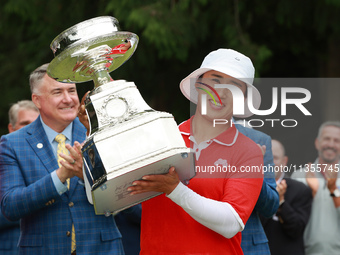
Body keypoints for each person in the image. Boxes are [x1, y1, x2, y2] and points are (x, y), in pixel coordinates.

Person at [127, 49, 264, 254]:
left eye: (234, 86)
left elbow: (231, 223)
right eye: (215, 80)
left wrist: (175, 190)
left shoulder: (248, 152)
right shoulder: (161, 136)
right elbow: (110, 196)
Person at [0, 63, 124, 255]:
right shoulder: (13, 143)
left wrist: (87, 176)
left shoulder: (99, 132)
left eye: (71, 90)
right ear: (37, 100)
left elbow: (125, 196)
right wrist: (60, 176)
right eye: (57, 92)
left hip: (102, 249)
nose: (68, 99)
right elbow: (10, 206)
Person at [291, 121, 340, 255]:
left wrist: (333, 189)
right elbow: (290, 220)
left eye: (336, 140)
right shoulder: (299, 175)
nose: (331, 144)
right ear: (317, 143)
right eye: (327, 139)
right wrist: (309, 193)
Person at [0, 100, 39, 255]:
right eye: (25, 123)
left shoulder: (56, 159)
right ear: (11, 128)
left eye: (36, 124)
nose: (31, 130)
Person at [261, 139, 312, 255]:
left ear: (284, 162)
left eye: (274, 158)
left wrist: (281, 203)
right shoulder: (251, 188)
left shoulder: (300, 190)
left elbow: (296, 230)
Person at [234, 122, 279, 255]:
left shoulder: (257, 139)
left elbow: (270, 207)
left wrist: (252, 170)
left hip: (248, 246)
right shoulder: (187, 136)